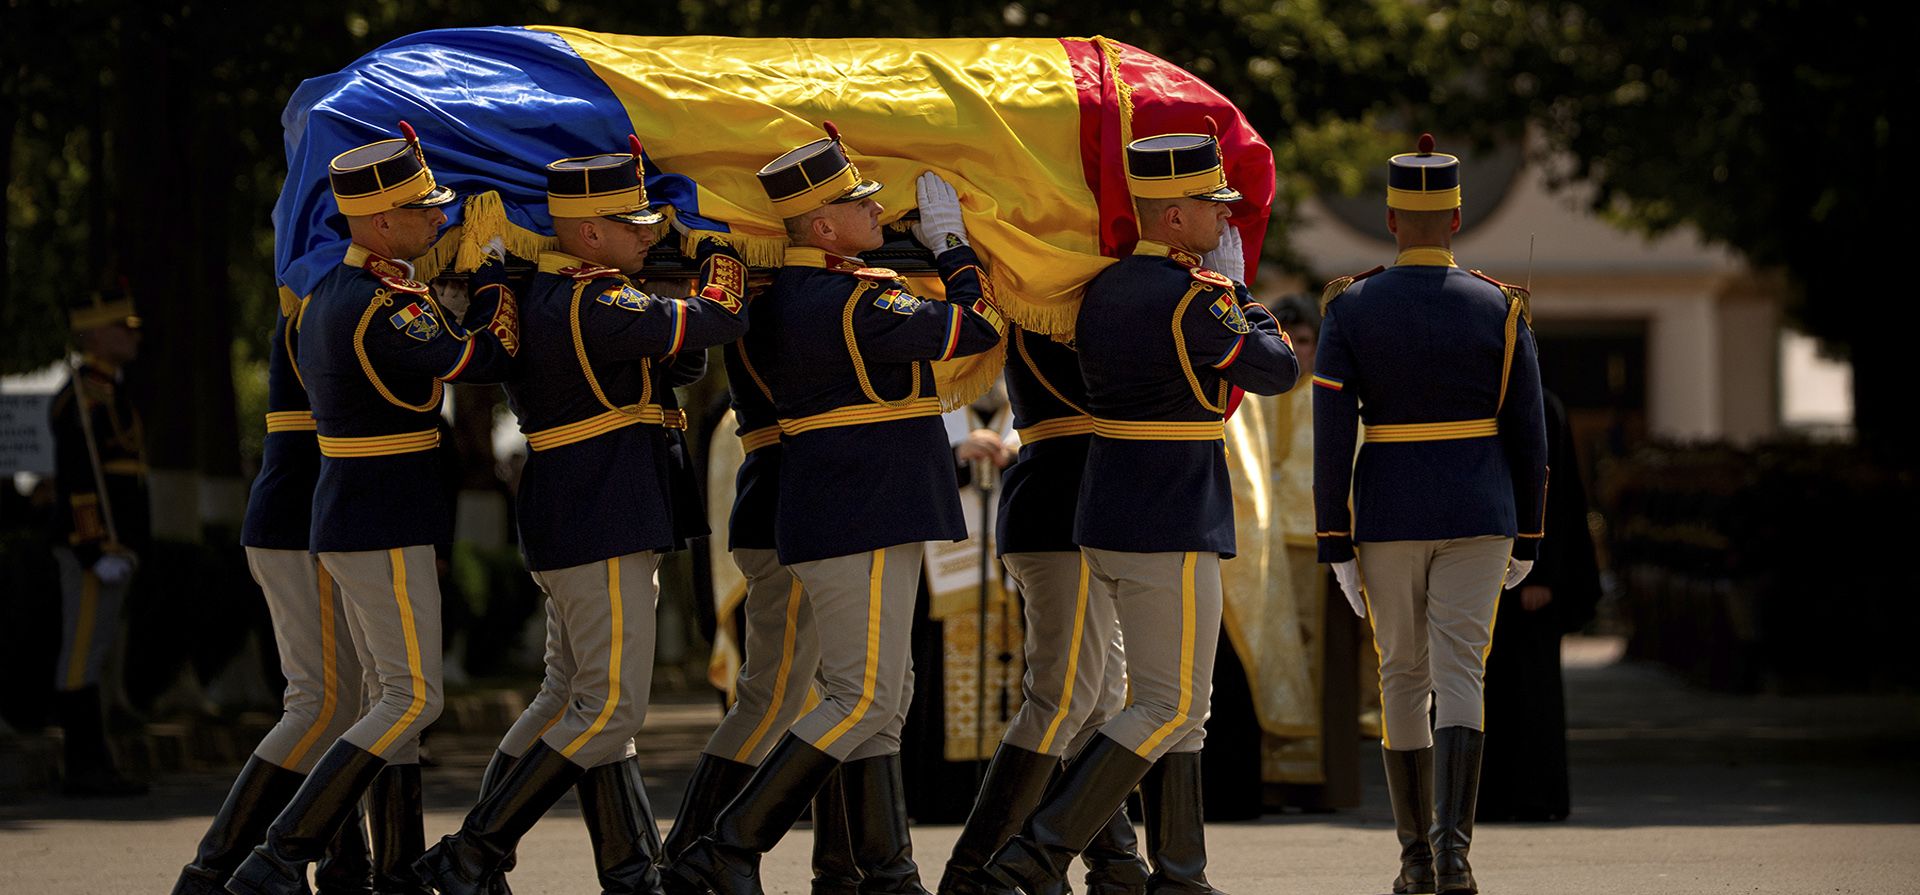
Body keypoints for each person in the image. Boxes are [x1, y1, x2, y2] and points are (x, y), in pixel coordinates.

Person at [664, 124, 1005, 895]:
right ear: (821, 226)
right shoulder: (859, 299)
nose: (878, 208)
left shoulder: (788, 297)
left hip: (849, 507)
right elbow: (975, 325)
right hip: (866, 508)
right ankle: (728, 844)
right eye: (860, 202)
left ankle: (885, 869)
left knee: (883, 696)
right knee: (864, 696)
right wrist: (952, 248)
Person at [412, 138, 750, 895]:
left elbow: (672, 363)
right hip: (605, 514)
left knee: (565, 696)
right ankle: (471, 855)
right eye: (634, 223)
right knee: (610, 710)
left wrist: (670, 294)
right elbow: (722, 318)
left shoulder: (554, 294)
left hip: (581, 510)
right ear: (589, 232)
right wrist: (718, 246)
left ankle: (614, 871)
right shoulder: (596, 300)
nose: (650, 233)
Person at [983, 127, 1300, 895]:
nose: (1226, 217)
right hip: (1171, 511)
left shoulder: (1102, 290)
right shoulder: (1197, 299)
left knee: (1177, 705)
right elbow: (1278, 368)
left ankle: (1180, 873)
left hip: (1111, 511)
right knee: (1173, 702)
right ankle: (1040, 847)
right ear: (1174, 215)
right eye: (1212, 205)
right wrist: (1241, 294)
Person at [227, 122, 521, 895]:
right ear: (382, 221)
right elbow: (483, 356)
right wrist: (494, 271)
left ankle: (384, 869)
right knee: (411, 697)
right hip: (382, 517)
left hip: (361, 516)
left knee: (386, 697)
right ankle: (278, 855)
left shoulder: (336, 293)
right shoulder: (383, 306)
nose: (439, 218)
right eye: (424, 209)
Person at [1312, 134, 1549, 895]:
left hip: (1389, 509)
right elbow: (1529, 432)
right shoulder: (1499, 305)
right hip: (1481, 508)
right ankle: (1455, 856)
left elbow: (1330, 435)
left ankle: (1415, 858)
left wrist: (1333, 539)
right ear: (1456, 217)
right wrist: (1531, 531)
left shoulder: (1351, 305)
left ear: (1389, 219)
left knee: (1402, 674)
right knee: (1461, 671)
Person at [170, 265, 373, 891]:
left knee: (347, 705)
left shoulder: (321, 304)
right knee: (323, 704)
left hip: (305, 521)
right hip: (301, 524)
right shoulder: (326, 307)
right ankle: (213, 869)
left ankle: (346, 863)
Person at [935, 325, 1150, 895]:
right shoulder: (1055, 314)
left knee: (1097, 701)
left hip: (1083, 514)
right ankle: (975, 871)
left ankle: (1117, 867)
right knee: (1063, 699)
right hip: (1062, 512)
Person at [1477, 391, 1599, 823]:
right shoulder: (1477, 393)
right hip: (1482, 565)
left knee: (1530, 689)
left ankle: (1534, 796)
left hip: (1529, 574)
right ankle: (1487, 797)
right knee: (1484, 685)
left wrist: (1543, 572)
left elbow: (1554, 489)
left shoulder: (1539, 403)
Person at [48, 289, 151, 798]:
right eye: (120, 326)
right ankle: (82, 765)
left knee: (96, 653)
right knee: (80, 656)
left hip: (117, 550)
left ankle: (98, 761)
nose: (132, 335)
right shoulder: (80, 398)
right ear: (91, 334)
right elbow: (77, 481)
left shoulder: (113, 391)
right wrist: (92, 548)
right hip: (95, 552)